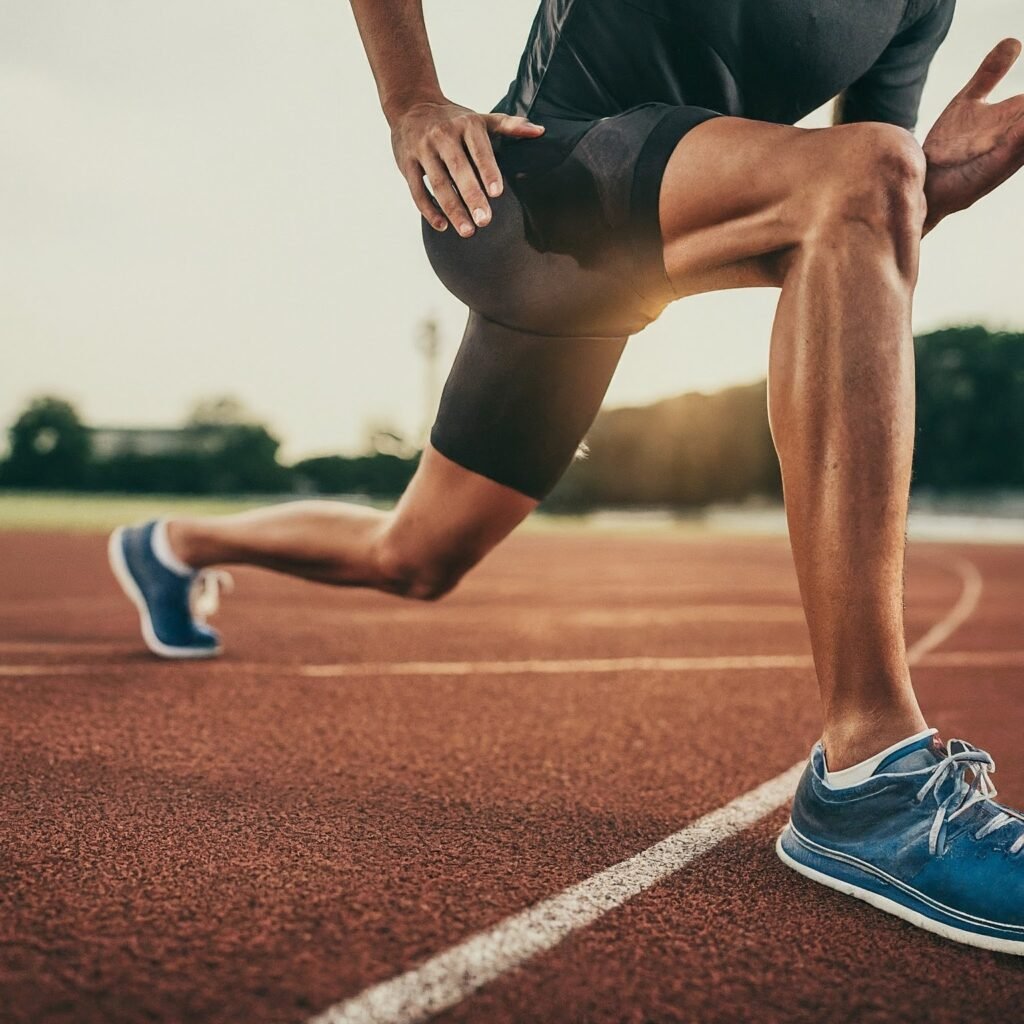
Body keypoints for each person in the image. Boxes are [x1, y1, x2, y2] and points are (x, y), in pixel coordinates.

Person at [109, 0, 1024, 951]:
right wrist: (412, 100)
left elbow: (852, 222)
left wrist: (930, 191)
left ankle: (173, 545)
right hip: (531, 195)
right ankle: (870, 777)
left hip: (633, 250)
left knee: (415, 554)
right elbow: (858, 182)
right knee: (872, 171)